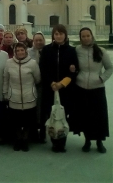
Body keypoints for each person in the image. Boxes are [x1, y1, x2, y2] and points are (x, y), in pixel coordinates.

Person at [39, 24, 78, 152]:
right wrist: (51, 83)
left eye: (61, 34)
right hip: (50, 88)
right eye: (56, 34)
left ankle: (62, 141)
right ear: (53, 36)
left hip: (65, 89)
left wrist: (62, 83)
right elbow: (43, 69)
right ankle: (54, 140)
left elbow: (74, 71)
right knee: (51, 115)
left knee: (63, 115)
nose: (59, 36)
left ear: (65, 35)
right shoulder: (46, 50)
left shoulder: (72, 51)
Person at [73, 27, 112, 154]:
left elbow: (110, 68)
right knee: (85, 116)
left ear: (92, 36)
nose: (85, 38)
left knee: (99, 117)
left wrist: (101, 78)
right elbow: (72, 63)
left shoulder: (101, 51)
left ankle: (99, 141)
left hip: (97, 88)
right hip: (81, 88)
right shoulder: (77, 50)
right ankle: (87, 140)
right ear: (80, 38)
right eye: (83, 36)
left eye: (88, 36)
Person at [3, 42, 41, 152]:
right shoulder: (9, 63)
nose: (20, 52)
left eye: (22, 50)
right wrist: (5, 93)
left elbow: (37, 79)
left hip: (29, 96)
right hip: (14, 97)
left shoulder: (33, 63)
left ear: (25, 51)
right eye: (17, 50)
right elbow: (6, 79)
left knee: (28, 121)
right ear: (14, 52)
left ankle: (25, 139)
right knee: (16, 122)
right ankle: (18, 139)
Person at [28, 31, 46, 142]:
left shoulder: (48, 51)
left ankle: (43, 132)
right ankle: (33, 132)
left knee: (43, 110)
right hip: (32, 84)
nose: (38, 42)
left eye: (40, 40)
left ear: (44, 40)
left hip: (46, 85)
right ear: (33, 41)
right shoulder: (28, 52)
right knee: (33, 109)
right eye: (36, 40)